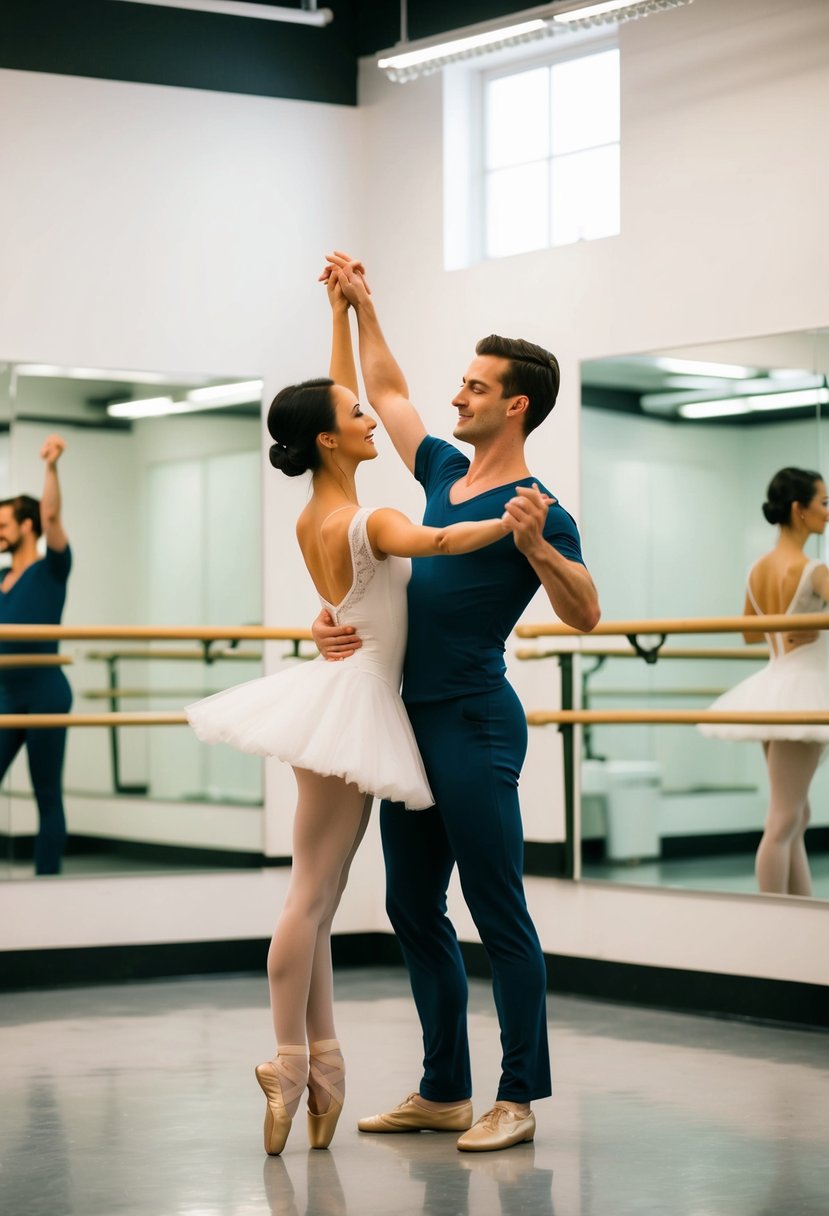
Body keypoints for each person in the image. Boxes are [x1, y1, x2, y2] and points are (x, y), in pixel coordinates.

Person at [186, 274, 520, 1157]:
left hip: (338, 697)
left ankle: (323, 1063)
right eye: (357, 416)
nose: (374, 418)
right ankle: (287, 1060)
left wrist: (342, 315)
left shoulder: (318, 507)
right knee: (310, 894)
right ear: (333, 439)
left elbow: (336, 403)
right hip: (357, 703)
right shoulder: (368, 516)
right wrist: (517, 518)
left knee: (323, 894)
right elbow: (442, 539)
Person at [313, 252, 600, 1153]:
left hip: (473, 718)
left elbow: (587, 613)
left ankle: (516, 1096)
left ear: (515, 403)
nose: (454, 399)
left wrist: (540, 552)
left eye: (473, 388)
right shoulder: (440, 469)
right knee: (409, 905)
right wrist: (363, 305)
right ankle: (443, 1089)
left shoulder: (540, 506)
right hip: (408, 716)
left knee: (496, 903)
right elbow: (389, 390)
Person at [700, 467, 829, 896]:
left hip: (774, 685)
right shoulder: (814, 571)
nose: (828, 513)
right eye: (823, 503)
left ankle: (801, 911)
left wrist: (791, 626)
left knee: (795, 813)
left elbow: (752, 632)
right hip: (804, 689)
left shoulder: (758, 568)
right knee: (783, 819)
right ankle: (773, 915)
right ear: (799, 510)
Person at [0, 436, 72, 876]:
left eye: (3, 524)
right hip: (7, 693)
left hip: (46, 692)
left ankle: (49, 881)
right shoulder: (3, 576)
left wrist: (51, 467)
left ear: (27, 526)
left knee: (46, 791)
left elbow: (52, 515)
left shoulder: (52, 568)